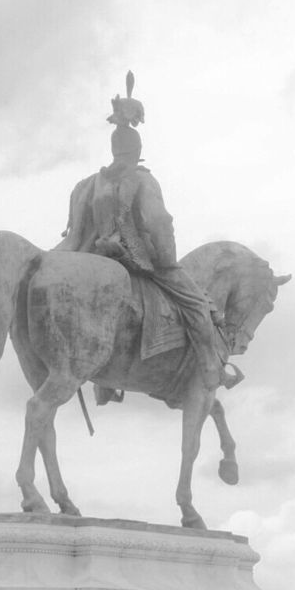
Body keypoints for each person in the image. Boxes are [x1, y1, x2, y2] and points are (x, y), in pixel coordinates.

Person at [55, 74, 226, 395]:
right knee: (199, 305)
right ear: (137, 147)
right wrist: (167, 260)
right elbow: (158, 221)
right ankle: (210, 366)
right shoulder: (142, 180)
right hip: (135, 256)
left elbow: (74, 230)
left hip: (92, 253)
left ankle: (103, 384)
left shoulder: (89, 183)